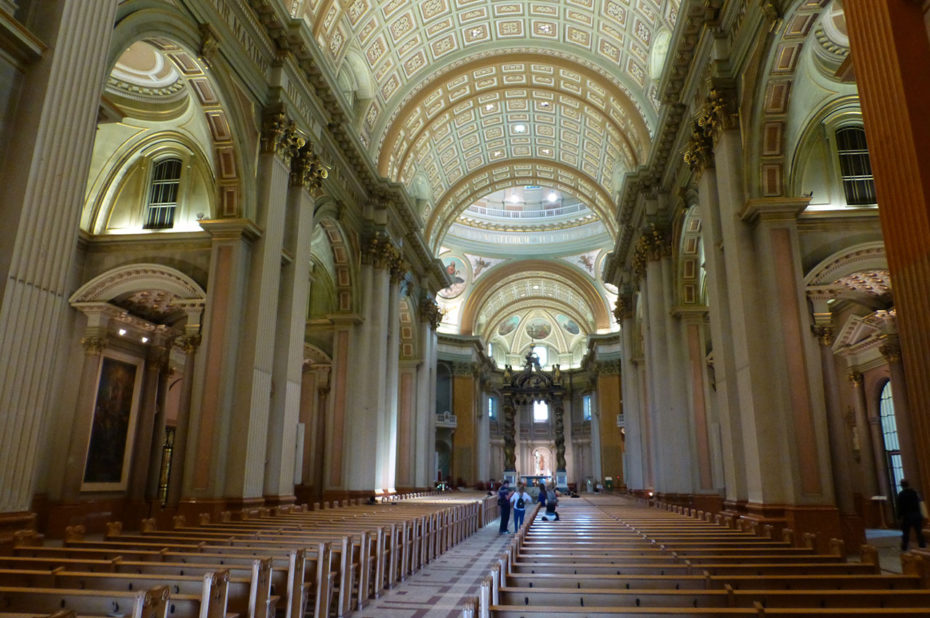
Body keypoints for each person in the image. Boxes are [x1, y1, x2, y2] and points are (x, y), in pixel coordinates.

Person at [897, 479, 927, 550]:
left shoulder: (901, 494)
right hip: (916, 514)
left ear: (901, 485)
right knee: (919, 531)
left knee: (906, 532)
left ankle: (904, 546)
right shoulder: (914, 493)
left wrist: (899, 517)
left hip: (907, 516)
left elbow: (900, 507)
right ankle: (922, 545)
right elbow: (919, 503)